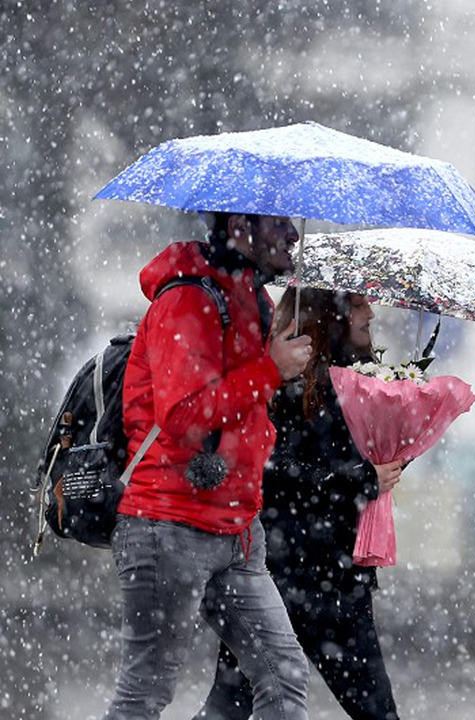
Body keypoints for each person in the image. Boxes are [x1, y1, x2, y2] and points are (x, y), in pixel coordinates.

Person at [103, 213, 314, 720]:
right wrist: (270, 370)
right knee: (144, 694)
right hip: (168, 523)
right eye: (277, 223)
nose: (293, 233)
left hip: (238, 528)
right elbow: (182, 415)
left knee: (284, 677)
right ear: (240, 226)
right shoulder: (189, 299)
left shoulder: (253, 300)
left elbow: (246, 407)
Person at [194, 287, 404, 720]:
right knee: (229, 705)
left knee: (376, 712)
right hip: (283, 575)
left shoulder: (364, 382)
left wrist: (396, 453)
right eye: (361, 304)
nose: (372, 313)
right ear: (332, 314)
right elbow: (274, 471)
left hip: (338, 579)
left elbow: (349, 468)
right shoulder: (286, 381)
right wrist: (360, 480)